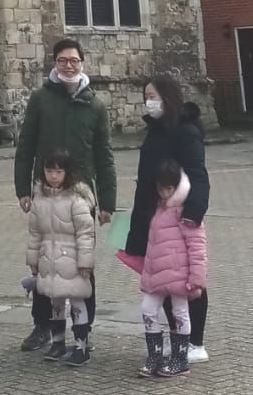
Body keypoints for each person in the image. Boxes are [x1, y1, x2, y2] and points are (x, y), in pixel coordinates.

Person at [13, 37, 116, 354]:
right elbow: (26, 145)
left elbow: (105, 155)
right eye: (62, 60)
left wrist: (108, 202)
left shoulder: (94, 105)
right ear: (54, 64)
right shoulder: (41, 99)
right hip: (46, 190)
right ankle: (43, 325)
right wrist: (22, 188)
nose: (68, 65)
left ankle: (84, 331)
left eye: (73, 60)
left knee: (82, 261)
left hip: (82, 193)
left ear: (82, 63)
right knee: (47, 260)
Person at [125, 76, 211, 364]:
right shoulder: (155, 131)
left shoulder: (185, 131)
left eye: (153, 95)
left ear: (167, 96)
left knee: (188, 280)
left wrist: (192, 212)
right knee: (160, 279)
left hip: (178, 215)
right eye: (146, 95)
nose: (149, 101)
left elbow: (198, 174)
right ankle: (178, 338)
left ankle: (195, 342)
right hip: (153, 213)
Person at [137, 158, 208, 380]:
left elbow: (197, 246)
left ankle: (180, 359)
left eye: (169, 187)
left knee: (180, 314)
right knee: (148, 309)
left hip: (179, 276)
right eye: (161, 187)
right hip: (156, 274)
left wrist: (197, 278)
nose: (165, 191)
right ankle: (155, 356)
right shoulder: (157, 209)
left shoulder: (186, 211)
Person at [25, 148, 96, 367]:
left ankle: (81, 345)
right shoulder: (39, 201)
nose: (53, 176)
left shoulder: (77, 200)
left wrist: (85, 262)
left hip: (72, 261)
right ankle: (57, 343)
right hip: (50, 261)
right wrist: (34, 260)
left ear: (67, 173)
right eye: (49, 171)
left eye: (58, 171)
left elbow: (86, 232)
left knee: (76, 301)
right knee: (55, 302)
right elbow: (35, 233)